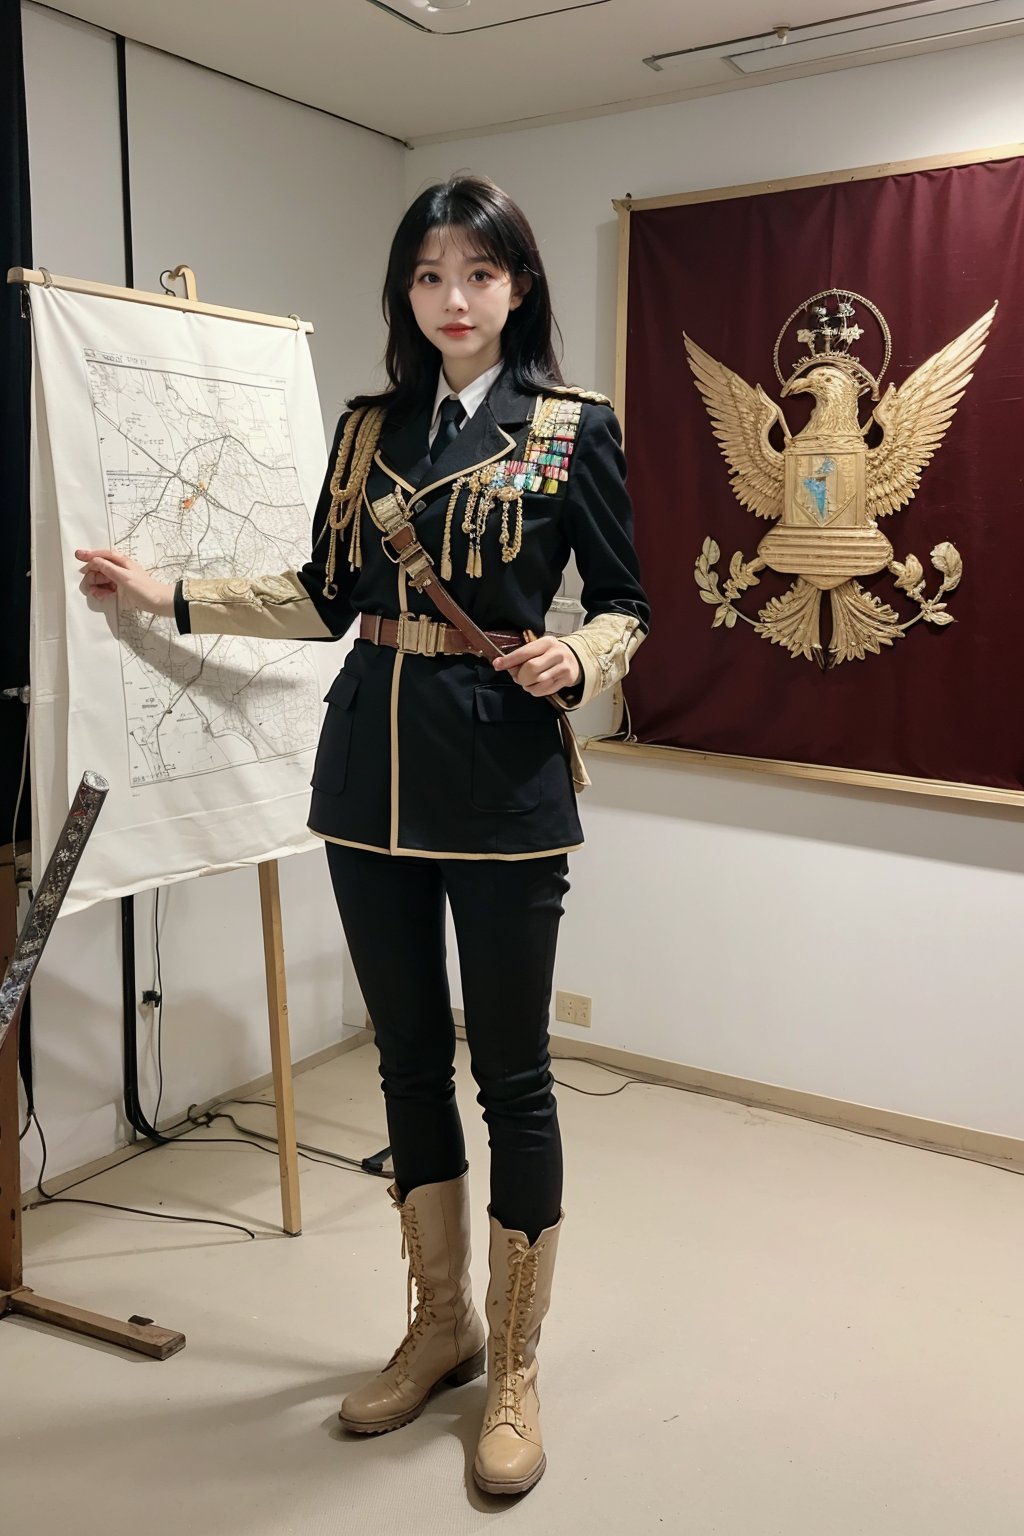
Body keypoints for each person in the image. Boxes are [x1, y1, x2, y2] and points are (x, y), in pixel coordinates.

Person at [78, 174, 649, 1498]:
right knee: (403, 1064)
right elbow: (322, 598)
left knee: (511, 1077)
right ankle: (437, 1323)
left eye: (480, 276)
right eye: (431, 276)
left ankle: (513, 1358)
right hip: (367, 781)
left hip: (505, 787)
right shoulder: (366, 431)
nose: (455, 299)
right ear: (406, 291)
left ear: (518, 289)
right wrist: (166, 591)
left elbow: (628, 601)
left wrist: (581, 653)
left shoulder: (570, 429)